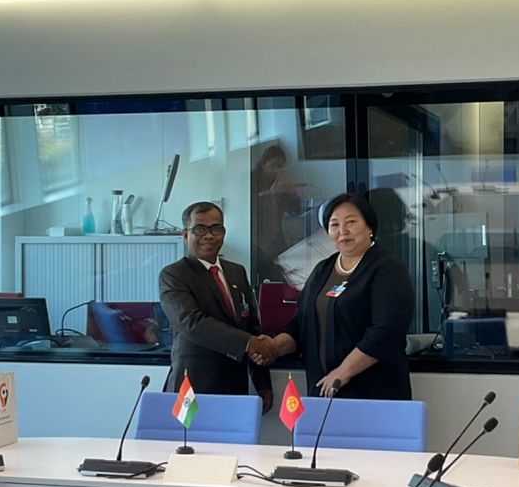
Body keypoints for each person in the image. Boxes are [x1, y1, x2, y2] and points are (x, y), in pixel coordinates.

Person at [260, 193, 415, 399]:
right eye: (334, 225)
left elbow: (386, 332)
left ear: (369, 226)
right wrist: (273, 347)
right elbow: (302, 325)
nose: (343, 231)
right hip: (323, 388)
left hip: (374, 391)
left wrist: (343, 372)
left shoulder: (388, 269)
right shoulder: (322, 270)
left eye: (351, 222)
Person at [159, 201, 276, 413]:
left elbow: (251, 326)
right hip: (192, 386)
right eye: (199, 229)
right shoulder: (174, 275)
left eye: (216, 228)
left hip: (234, 386)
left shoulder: (236, 272)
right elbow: (193, 323)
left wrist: (262, 382)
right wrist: (248, 343)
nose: (209, 235)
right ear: (185, 234)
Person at [251, 144, 302, 284]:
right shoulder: (252, 180)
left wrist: (293, 193)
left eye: (280, 167)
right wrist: (269, 194)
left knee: (285, 269)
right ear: (263, 163)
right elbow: (245, 202)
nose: (276, 170)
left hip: (276, 234)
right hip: (256, 236)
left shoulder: (281, 182)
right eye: (273, 165)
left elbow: (295, 210)